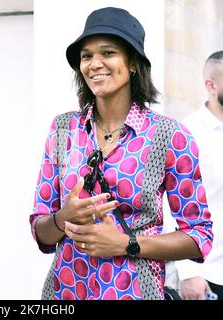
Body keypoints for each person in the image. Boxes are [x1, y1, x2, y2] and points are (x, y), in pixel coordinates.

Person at [30, 7, 213, 300]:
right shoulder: (63, 129)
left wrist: (126, 243)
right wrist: (64, 217)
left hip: (135, 292)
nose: (94, 64)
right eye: (86, 56)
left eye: (108, 52)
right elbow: (41, 233)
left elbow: (198, 236)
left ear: (132, 64)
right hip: (65, 292)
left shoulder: (169, 136)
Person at [175, 51, 223, 300]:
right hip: (210, 275)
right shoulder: (188, 133)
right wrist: (188, 270)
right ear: (211, 85)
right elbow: (173, 204)